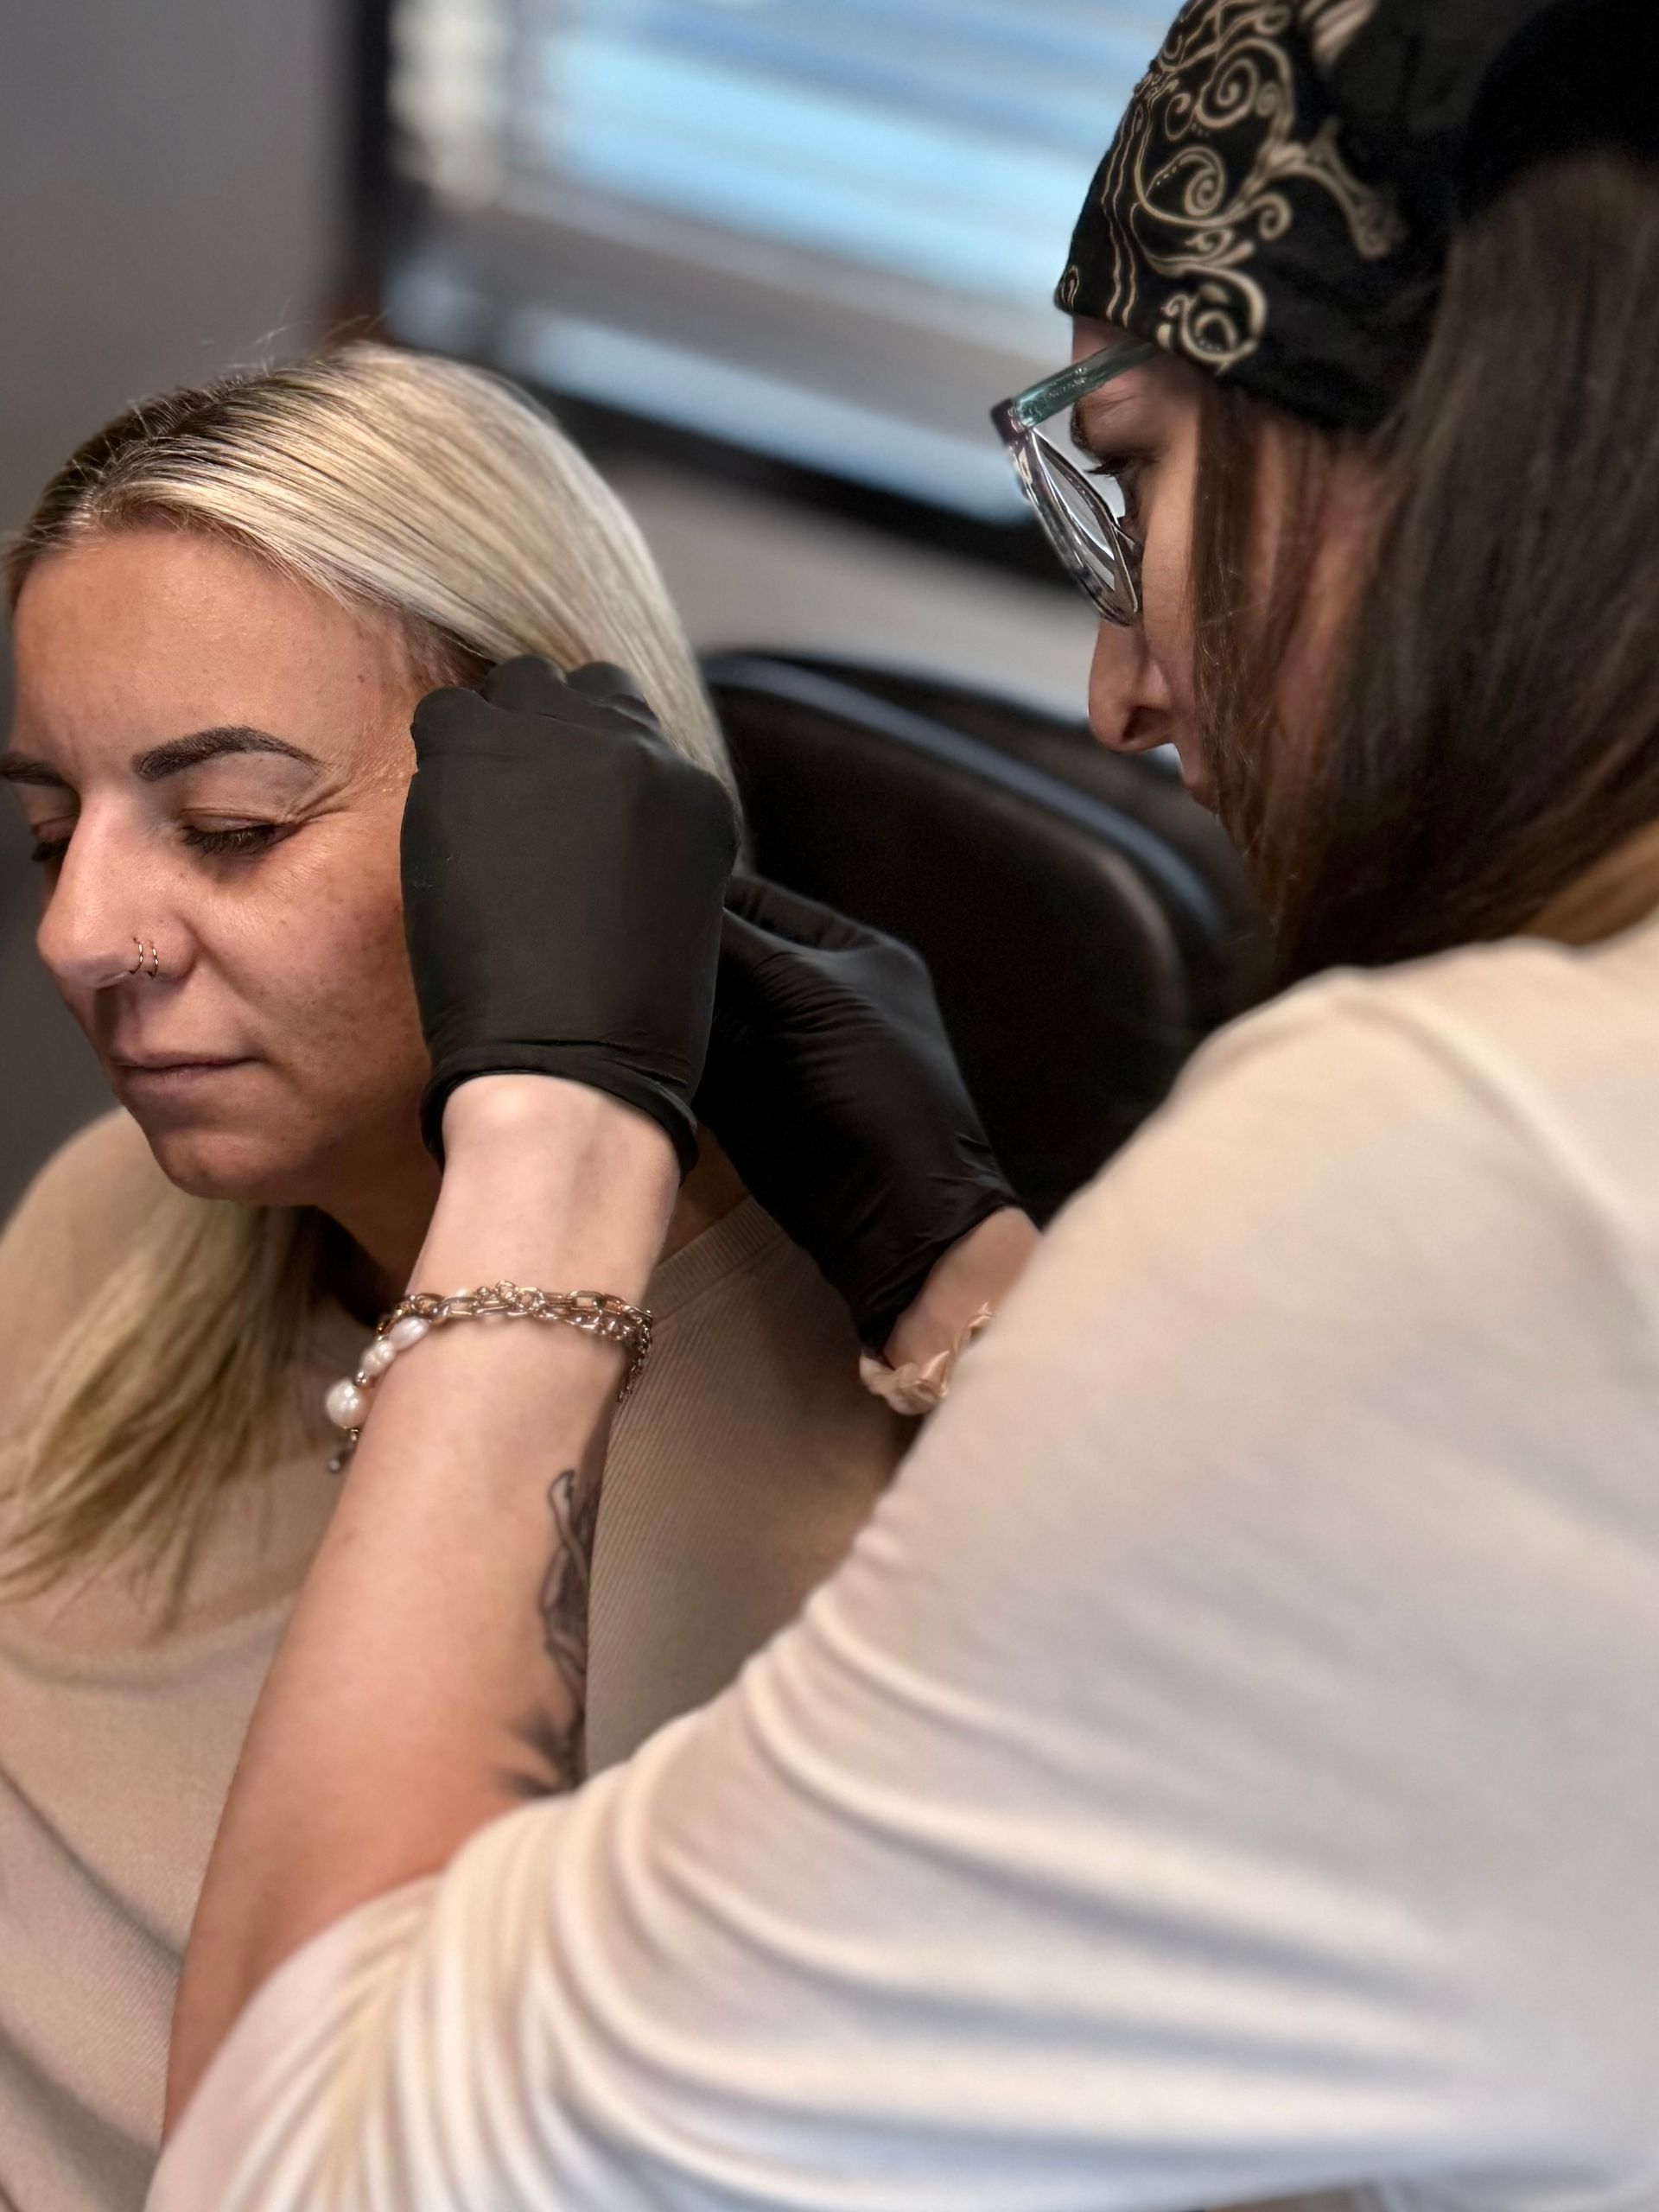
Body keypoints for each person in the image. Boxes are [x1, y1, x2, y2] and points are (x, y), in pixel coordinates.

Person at [155, 0, 1659, 2204]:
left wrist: (554, 1151)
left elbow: (313, 2159)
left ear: (1445, 445)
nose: (1127, 690)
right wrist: (975, 1267)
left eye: (1135, 473)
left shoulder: (1471, 1166)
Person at [0, 345, 980, 2211]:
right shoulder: (107, 1229)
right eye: (53, 825)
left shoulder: (842, 1519)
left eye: (229, 827)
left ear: (557, 837)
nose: (79, 933)